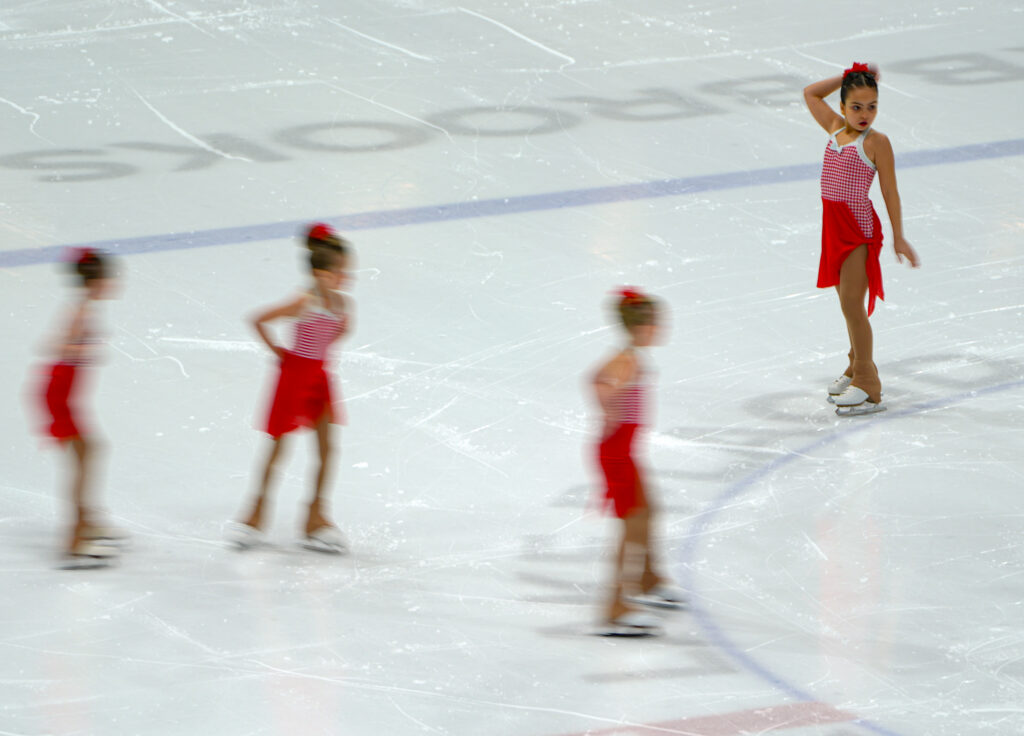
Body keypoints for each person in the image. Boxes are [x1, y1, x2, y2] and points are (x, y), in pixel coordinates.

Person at [803, 62, 920, 416]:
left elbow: (890, 192)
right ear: (842, 107)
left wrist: (899, 237)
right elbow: (810, 93)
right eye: (856, 106)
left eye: (872, 106)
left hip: (857, 230)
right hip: (833, 228)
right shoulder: (835, 127)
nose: (865, 113)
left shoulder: (877, 142)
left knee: (853, 305)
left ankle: (868, 383)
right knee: (846, 305)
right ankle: (855, 364)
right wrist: (850, 76)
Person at [227, 223, 353, 553]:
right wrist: (280, 353)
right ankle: (253, 517)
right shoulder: (304, 301)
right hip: (294, 378)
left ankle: (316, 518)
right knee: (278, 449)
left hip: (320, 378)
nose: (345, 277)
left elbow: (339, 333)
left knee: (328, 450)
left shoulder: (341, 304)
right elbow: (258, 319)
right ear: (321, 274)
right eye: (340, 271)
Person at [590, 288, 684, 636]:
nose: (661, 328)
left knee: (650, 511)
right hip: (616, 452)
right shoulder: (626, 361)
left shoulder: (630, 356)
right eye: (657, 323)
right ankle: (614, 606)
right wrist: (609, 407)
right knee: (630, 527)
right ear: (642, 327)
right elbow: (598, 380)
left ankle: (648, 580)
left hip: (624, 450)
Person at [38, 248, 127, 568]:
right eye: (111, 278)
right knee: (85, 456)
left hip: (62, 392)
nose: (115, 283)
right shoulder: (82, 311)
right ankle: (76, 540)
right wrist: (81, 346)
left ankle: (87, 521)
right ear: (98, 281)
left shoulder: (84, 308)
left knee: (89, 452)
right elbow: (55, 346)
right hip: (59, 392)